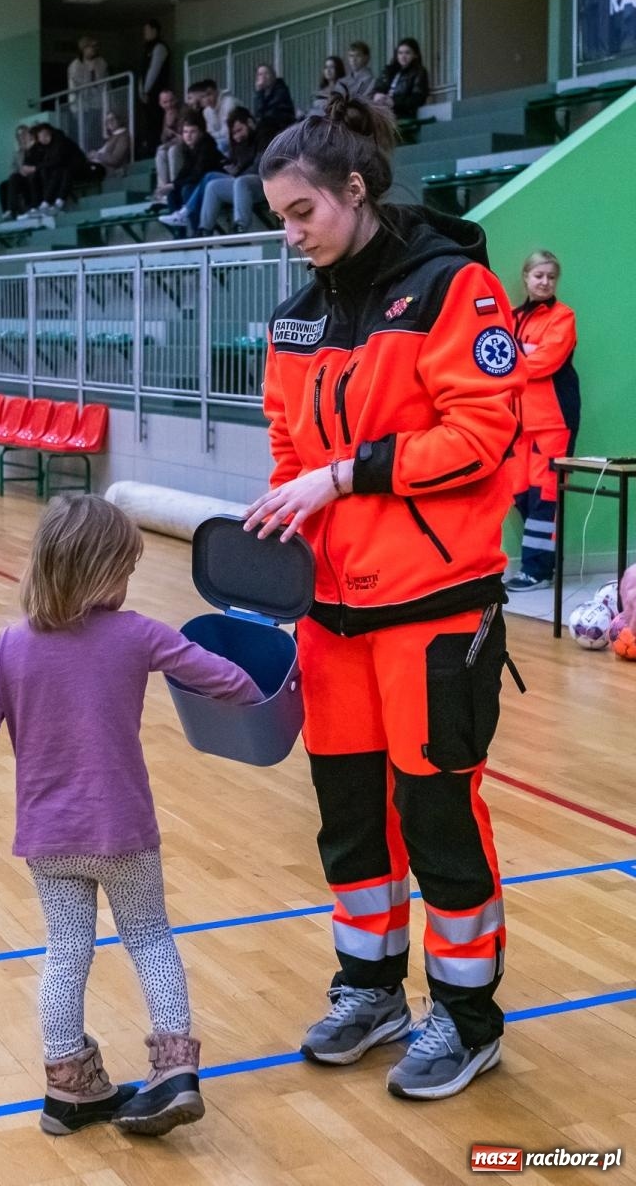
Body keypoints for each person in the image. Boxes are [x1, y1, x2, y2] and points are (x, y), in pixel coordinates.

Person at [243, 93, 527, 1102]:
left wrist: (345, 476)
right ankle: (369, 989)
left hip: (435, 609)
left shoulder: (454, 289)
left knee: (438, 817)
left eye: (299, 213)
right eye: (278, 217)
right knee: (350, 818)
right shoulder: (294, 315)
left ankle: (465, 1016)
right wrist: (289, 500)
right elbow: (288, 442)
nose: (288, 234)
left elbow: (480, 436)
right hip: (331, 617)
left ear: (352, 191)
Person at [0, 494, 262, 1137]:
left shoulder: (10, 646)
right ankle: (175, 1072)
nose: (129, 584)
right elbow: (226, 681)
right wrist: (271, 692)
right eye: (125, 570)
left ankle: (69, 1091)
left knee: (66, 950)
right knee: (150, 938)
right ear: (100, 572)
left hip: (50, 839)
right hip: (124, 832)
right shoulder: (140, 634)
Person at [504, 251, 580, 591]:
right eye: (539, 275)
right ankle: (537, 565)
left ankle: (538, 570)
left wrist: (517, 354)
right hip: (516, 422)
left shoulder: (563, 316)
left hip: (552, 422)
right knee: (517, 492)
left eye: (551, 276)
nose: (545, 282)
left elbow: (547, 361)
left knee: (545, 496)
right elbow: (494, 359)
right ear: (526, 277)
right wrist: (526, 350)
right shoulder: (510, 316)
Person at [197, 108, 266, 235]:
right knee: (213, 186)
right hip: (242, 185)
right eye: (234, 133)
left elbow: (259, 167)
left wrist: (238, 173)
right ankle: (205, 230)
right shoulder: (238, 145)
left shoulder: (263, 135)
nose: (237, 136)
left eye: (240, 130)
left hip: (265, 183)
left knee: (240, 181)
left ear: (250, 123)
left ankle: (240, 226)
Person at [158, 109, 224, 226]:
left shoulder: (207, 146)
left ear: (201, 133)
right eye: (185, 132)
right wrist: (172, 185)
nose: (188, 136)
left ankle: (196, 231)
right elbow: (185, 170)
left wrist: (175, 184)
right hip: (199, 184)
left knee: (187, 189)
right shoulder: (189, 148)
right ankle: (179, 233)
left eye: (192, 132)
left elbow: (199, 174)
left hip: (213, 185)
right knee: (172, 194)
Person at [32, 123, 89, 213]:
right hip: (64, 169)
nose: (41, 139)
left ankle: (57, 202)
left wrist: (37, 167)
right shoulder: (46, 147)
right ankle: (46, 202)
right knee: (46, 173)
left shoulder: (60, 141)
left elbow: (59, 160)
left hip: (79, 168)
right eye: (39, 137)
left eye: (41, 136)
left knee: (62, 171)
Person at [68, 36, 109, 151]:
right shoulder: (75, 65)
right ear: (83, 49)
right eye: (90, 47)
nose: (93, 49)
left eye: (95, 47)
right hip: (84, 106)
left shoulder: (102, 63)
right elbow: (72, 88)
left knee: (102, 131)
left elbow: (106, 84)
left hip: (100, 104)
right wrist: (74, 107)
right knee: (85, 133)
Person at [372, 37, 430, 120]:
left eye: (407, 53)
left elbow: (417, 98)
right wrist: (378, 94)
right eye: (400, 53)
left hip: (403, 114)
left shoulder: (419, 72)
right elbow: (379, 86)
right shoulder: (389, 70)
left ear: (415, 55)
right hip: (383, 111)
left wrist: (394, 102)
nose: (403, 56)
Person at [140, 19, 171, 155]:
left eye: (147, 30)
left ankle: (157, 150)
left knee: (156, 121)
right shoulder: (147, 48)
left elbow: (154, 70)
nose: (144, 33)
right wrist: (141, 91)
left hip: (156, 92)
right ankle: (151, 149)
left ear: (154, 31)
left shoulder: (160, 47)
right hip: (147, 93)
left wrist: (146, 90)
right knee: (148, 123)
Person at [252, 64, 295, 145]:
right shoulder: (261, 94)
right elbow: (258, 113)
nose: (263, 77)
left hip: (282, 126)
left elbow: (268, 113)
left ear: (273, 75)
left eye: (266, 73)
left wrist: (259, 93)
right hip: (268, 129)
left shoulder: (281, 89)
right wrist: (259, 92)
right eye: (260, 74)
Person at [0, 125, 36, 220]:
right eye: (19, 135)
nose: (22, 137)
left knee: (17, 179)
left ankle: (20, 209)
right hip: (21, 177)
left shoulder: (36, 148)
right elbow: (12, 168)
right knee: (4, 185)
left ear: (29, 134)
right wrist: (20, 172)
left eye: (24, 134)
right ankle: (9, 211)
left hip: (34, 175)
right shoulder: (17, 153)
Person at [153, 89, 183, 200]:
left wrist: (172, 135)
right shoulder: (165, 115)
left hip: (184, 147)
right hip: (172, 144)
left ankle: (175, 186)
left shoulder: (183, 111)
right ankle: (162, 190)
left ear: (176, 100)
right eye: (165, 102)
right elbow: (163, 139)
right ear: (160, 104)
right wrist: (167, 131)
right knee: (160, 151)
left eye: (171, 101)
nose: (169, 104)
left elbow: (184, 137)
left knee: (172, 151)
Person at [201, 78, 240, 154]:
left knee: (219, 147)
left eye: (209, 94)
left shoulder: (229, 103)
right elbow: (210, 133)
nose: (207, 99)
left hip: (238, 138)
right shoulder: (206, 111)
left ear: (216, 91)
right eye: (203, 96)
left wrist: (216, 136)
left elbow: (228, 132)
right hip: (221, 142)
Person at [88, 111, 131, 176]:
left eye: (112, 119)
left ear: (119, 120)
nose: (110, 122)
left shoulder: (123, 136)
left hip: (110, 173)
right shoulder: (112, 137)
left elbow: (115, 160)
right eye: (107, 121)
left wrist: (97, 155)